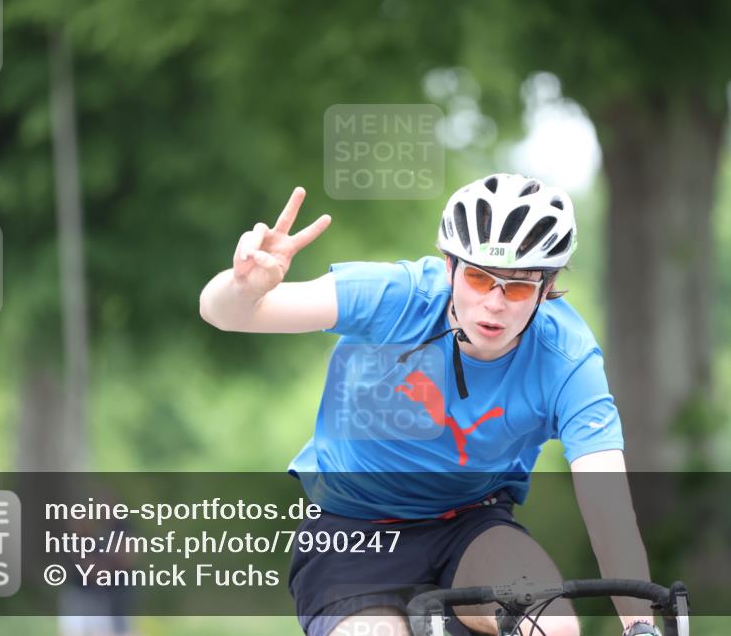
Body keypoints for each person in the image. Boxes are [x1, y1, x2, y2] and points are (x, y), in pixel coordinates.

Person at [199, 174, 660, 636]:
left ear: (547, 286)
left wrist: (640, 625)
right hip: (352, 530)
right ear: (449, 267)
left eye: (518, 287)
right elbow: (223, 314)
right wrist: (245, 287)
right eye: (479, 277)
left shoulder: (567, 356)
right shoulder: (396, 297)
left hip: (471, 524)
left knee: (552, 625)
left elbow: (608, 504)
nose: (494, 304)